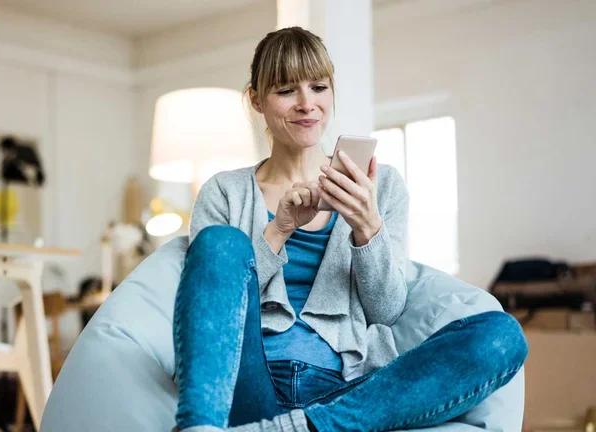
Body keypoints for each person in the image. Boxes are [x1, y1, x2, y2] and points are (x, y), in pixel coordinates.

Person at [172, 27, 527, 432]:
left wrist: (366, 226)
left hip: (346, 390)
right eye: (287, 90)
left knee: (501, 335)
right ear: (256, 98)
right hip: (249, 381)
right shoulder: (225, 191)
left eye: (319, 87)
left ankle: (300, 426)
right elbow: (213, 307)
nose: (307, 104)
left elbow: (386, 310)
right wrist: (280, 229)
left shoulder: (382, 186)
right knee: (219, 244)